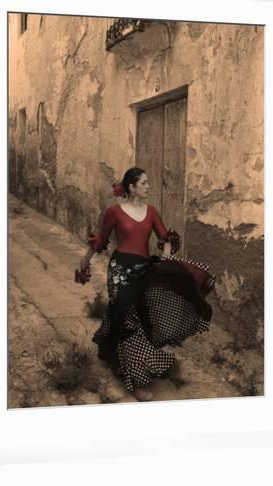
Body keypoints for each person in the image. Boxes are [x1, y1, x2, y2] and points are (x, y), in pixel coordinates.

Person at [78, 167, 214, 402]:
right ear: (131, 187)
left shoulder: (151, 212)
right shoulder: (114, 212)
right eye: (144, 183)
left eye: (148, 183)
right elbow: (101, 239)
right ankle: (138, 382)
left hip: (144, 270)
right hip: (120, 272)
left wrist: (167, 260)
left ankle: (113, 354)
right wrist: (84, 261)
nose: (149, 187)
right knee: (127, 318)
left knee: (139, 317)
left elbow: (165, 238)